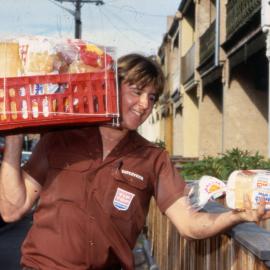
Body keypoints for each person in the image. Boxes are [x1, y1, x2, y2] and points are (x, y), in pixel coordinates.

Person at [0, 53, 269, 270]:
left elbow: (189, 225)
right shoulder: (61, 138)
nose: (144, 104)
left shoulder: (153, 159)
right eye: (137, 91)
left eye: (151, 98)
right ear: (110, 88)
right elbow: (11, 210)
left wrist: (237, 216)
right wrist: (14, 137)